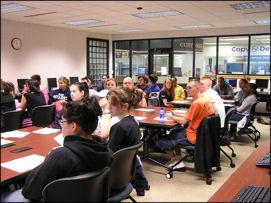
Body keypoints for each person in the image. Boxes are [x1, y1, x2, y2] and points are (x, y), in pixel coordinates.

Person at [20, 97, 112, 201]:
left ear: (73, 126)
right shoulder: (104, 149)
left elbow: (30, 191)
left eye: (62, 122)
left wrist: (47, 161)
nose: (61, 125)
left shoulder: (61, 156)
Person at [154, 80, 215, 169]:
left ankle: (176, 159)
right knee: (175, 131)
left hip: (193, 136)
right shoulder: (205, 100)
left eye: (190, 88)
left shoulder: (197, 103)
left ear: (198, 88)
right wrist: (176, 115)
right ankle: (178, 158)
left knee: (158, 139)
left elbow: (183, 122)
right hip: (202, 134)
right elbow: (191, 116)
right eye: (186, 87)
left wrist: (170, 117)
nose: (187, 90)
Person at [107, 87, 149, 196]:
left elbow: (109, 155)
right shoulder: (133, 122)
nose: (108, 107)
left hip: (114, 175)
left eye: (112, 104)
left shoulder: (118, 127)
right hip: (126, 172)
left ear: (124, 106)